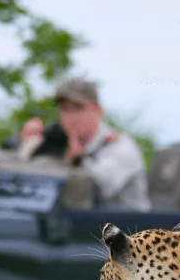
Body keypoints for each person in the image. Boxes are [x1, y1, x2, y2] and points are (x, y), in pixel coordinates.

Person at [18, 77, 150, 211]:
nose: (70, 117)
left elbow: (96, 187)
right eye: (64, 109)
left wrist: (77, 160)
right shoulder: (61, 144)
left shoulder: (120, 147)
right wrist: (30, 149)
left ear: (97, 110)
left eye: (78, 108)